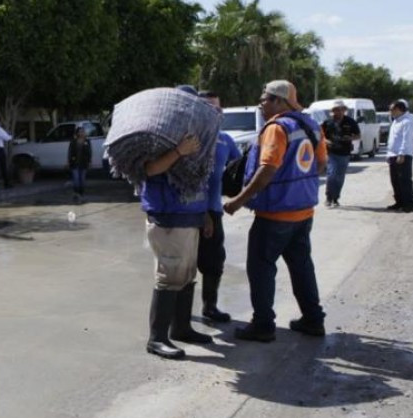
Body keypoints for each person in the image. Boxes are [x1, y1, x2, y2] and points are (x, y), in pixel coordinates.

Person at [223, 80, 329, 342]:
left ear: (281, 102)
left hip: (275, 216)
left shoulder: (277, 128)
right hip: (303, 213)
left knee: (260, 269)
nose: (261, 102)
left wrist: (237, 200)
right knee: (302, 267)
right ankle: (313, 319)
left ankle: (263, 325)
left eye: (266, 98)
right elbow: (322, 166)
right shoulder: (311, 126)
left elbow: (267, 169)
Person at [139, 117, 216, 360]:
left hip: (189, 218)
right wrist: (178, 151)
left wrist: (203, 214)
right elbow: (150, 169)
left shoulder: (194, 142)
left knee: (186, 274)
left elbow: (197, 181)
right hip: (167, 219)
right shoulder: (157, 140)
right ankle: (157, 339)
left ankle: (182, 328)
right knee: (169, 275)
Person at [197, 90, 242, 322]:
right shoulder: (189, 140)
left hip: (214, 211)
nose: (215, 113)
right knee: (181, 266)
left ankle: (209, 306)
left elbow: (237, 167)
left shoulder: (226, 140)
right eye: (209, 108)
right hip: (188, 212)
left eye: (218, 109)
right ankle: (177, 313)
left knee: (214, 263)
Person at [320, 100, 361, 208]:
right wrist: (326, 141)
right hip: (331, 152)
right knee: (331, 174)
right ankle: (328, 198)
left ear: (344, 110)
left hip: (344, 152)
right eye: (335, 110)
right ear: (332, 111)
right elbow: (320, 135)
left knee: (339, 177)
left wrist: (350, 138)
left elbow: (358, 135)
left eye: (340, 109)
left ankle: (335, 198)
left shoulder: (350, 121)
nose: (338, 112)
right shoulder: (327, 122)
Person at [385, 99, 413, 213]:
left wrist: (402, 154)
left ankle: (408, 204)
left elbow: (406, 139)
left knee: (404, 180)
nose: (390, 112)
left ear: (398, 109)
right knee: (395, 181)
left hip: (402, 155)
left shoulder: (407, 121)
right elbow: (393, 138)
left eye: (392, 110)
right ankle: (399, 202)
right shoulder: (396, 120)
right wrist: (389, 153)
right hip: (393, 154)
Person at [67, 125, 92, 201]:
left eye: (83, 131)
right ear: (77, 133)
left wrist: (90, 161)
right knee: (76, 179)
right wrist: (68, 161)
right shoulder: (73, 141)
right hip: (75, 163)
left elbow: (89, 152)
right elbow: (70, 152)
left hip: (84, 163)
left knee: (82, 180)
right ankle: (76, 193)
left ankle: (81, 193)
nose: (82, 133)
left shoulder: (87, 141)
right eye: (80, 131)